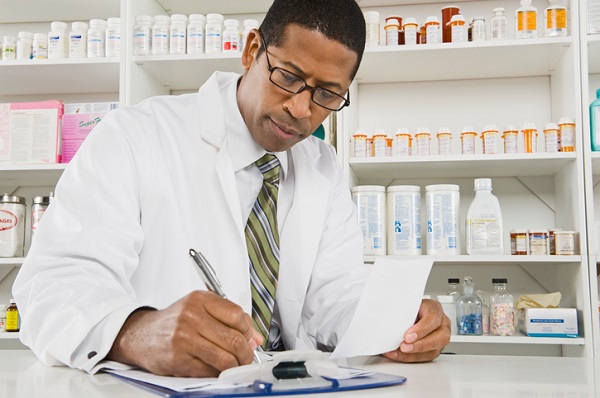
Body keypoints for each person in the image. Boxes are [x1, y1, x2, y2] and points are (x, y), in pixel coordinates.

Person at [13, 0, 450, 377]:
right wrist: (135, 332)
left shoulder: (323, 166)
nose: (301, 109)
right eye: (288, 76)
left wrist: (397, 322)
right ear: (252, 50)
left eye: (327, 95)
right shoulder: (135, 135)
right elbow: (51, 287)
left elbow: (334, 295)